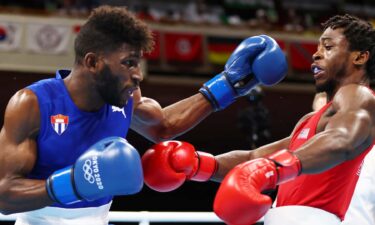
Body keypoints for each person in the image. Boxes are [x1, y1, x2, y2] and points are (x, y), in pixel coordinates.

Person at [0, 5, 287, 225]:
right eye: (128, 63)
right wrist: (73, 184)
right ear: (92, 62)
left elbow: (164, 126)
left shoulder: (125, 98)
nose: (137, 75)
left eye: (138, 63)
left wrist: (227, 85)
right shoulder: (33, 103)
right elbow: (4, 194)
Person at [141, 14, 375, 225]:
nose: (316, 53)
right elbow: (254, 157)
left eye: (328, 46)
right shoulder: (311, 120)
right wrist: (198, 165)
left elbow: (342, 140)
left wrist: (273, 169)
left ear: (360, 57)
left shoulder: (359, 95)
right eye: (318, 46)